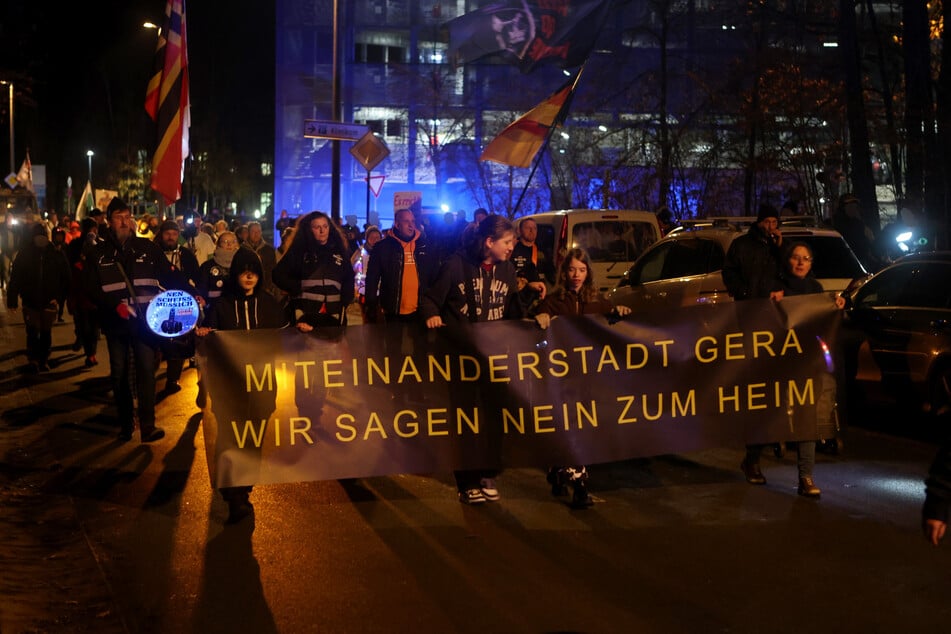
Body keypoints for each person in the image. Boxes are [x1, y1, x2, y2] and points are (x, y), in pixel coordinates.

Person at [419, 214, 525, 505]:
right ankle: (466, 480)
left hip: (496, 360)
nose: (510, 248)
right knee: (466, 419)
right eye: (506, 242)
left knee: (494, 418)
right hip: (462, 359)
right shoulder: (455, 265)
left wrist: (534, 312)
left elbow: (515, 312)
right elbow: (429, 299)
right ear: (489, 242)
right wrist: (431, 314)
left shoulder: (507, 271)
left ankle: (488, 473)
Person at [195, 248, 288, 523]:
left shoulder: (270, 305)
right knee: (229, 434)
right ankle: (233, 491)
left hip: (261, 385)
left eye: (254, 271)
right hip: (229, 386)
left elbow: (282, 341)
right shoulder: (221, 306)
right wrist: (204, 334)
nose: (249, 276)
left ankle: (244, 485)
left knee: (254, 435)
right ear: (235, 273)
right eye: (244, 271)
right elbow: (211, 342)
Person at [533, 248, 632, 508]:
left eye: (581, 269)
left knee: (581, 430)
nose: (576, 275)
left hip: (588, 380)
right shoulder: (553, 302)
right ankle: (579, 485)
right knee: (569, 429)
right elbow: (536, 340)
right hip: (561, 381)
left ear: (588, 273)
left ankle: (558, 470)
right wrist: (540, 317)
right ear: (564, 272)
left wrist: (617, 312)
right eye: (571, 269)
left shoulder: (598, 301)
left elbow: (611, 326)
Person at [85, 198, 180, 442]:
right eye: (119, 217)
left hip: (144, 324)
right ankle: (126, 423)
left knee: (147, 370)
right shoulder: (98, 253)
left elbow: (169, 279)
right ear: (109, 221)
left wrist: (192, 293)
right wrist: (113, 306)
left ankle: (148, 425)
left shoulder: (148, 249)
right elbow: (91, 288)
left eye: (128, 216)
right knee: (119, 374)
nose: (125, 221)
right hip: (116, 325)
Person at [777, 241, 847, 498]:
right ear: (788, 260)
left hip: (808, 364)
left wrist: (836, 306)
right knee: (770, 416)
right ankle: (752, 458)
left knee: (806, 418)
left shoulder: (816, 290)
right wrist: (771, 302)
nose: (800, 263)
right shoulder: (778, 288)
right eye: (796, 257)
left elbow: (824, 320)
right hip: (782, 364)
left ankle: (805, 477)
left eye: (805, 258)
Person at [722, 203, 785, 485]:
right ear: (759, 222)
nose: (771, 226)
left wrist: (781, 250)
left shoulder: (778, 249)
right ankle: (753, 455)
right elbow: (730, 273)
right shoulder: (742, 246)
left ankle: (775, 437)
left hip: (773, 321)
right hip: (748, 317)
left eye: (775, 221)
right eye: (768, 221)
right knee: (757, 389)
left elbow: (789, 278)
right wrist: (745, 293)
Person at [272, 210, 354, 333]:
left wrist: (345, 300)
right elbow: (278, 275)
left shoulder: (339, 252)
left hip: (334, 315)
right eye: (317, 227)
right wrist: (297, 287)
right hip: (305, 315)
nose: (322, 230)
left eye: (325, 226)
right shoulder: (299, 251)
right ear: (309, 229)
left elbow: (348, 278)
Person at [6, 222, 72, 373]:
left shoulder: (55, 253)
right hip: (30, 300)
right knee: (32, 332)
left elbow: (66, 278)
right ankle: (34, 360)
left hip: (49, 301)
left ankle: (43, 359)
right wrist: (12, 299)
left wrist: (59, 297)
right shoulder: (25, 253)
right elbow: (15, 277)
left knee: (45, 333)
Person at [365, 209, 439, 324]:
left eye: (413, 221)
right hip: (392, 311)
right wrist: (371, 306)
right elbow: (372, 279)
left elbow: (434, 277)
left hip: (420, 310)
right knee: (393, 342)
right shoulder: (382, 247)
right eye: (406, 221)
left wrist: (432, 306)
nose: (411, 225)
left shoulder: (423, 246)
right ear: (397, 224)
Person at [156, 220, 201, 394]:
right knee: (157, 343)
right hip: (158, 304)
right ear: (162, 234)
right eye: (167, 233)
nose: (170, 237)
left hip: (181, 303)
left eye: (174, 234)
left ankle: (172, 379)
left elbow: (196, 277)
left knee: (179, 341)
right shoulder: (154, 253)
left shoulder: (186, 255)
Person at [66, 217, 103, 366]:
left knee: (93, 327)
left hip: (95, 293)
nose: (93, 232)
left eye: (94, 229)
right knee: (83, 324)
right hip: (80, 291)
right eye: (90, 229)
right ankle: (81, 339)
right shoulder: (75, 245)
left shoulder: (100, 244)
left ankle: (91, 354)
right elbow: (69, 267)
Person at [510, 216, 550, 314]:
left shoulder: (543, 252)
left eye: (535, 228)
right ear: (519, 230)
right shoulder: (512, 249)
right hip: (519, 302)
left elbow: (552, 275)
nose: (532, 231)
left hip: (537, 300)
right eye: (528, 228)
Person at [243, 221, 281, 303]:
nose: (256, 234)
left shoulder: (269, 250)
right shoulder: (243, 250)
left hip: (264, 288)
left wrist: (268, 286)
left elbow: (272, 269)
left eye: (258, 231)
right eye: (253, 231)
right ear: (248, 233)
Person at [351, 224, 382, 319]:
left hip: (381, 290)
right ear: (367, 238)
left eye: (377, 237)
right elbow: (352, 265)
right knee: (366, 315)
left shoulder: (384, 251)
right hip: (364, 290)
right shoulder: (361, 252)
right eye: (371, 237)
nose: (375, 240)